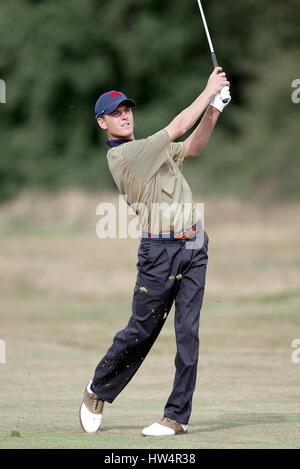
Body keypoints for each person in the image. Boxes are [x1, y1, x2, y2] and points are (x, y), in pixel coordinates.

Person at [79, 67, 231, 437]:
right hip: (159, 252)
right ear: (103, 124)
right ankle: (98, 389)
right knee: (142, 330)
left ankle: (176, 416)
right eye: (115, 113)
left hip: (195, 243)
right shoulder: (126, 156)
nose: (124, 115)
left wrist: (215, 110)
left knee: (188, 333)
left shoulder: (152, 148)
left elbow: (192, 147)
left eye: (127, 109)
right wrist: (208, 89)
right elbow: (178, 127)